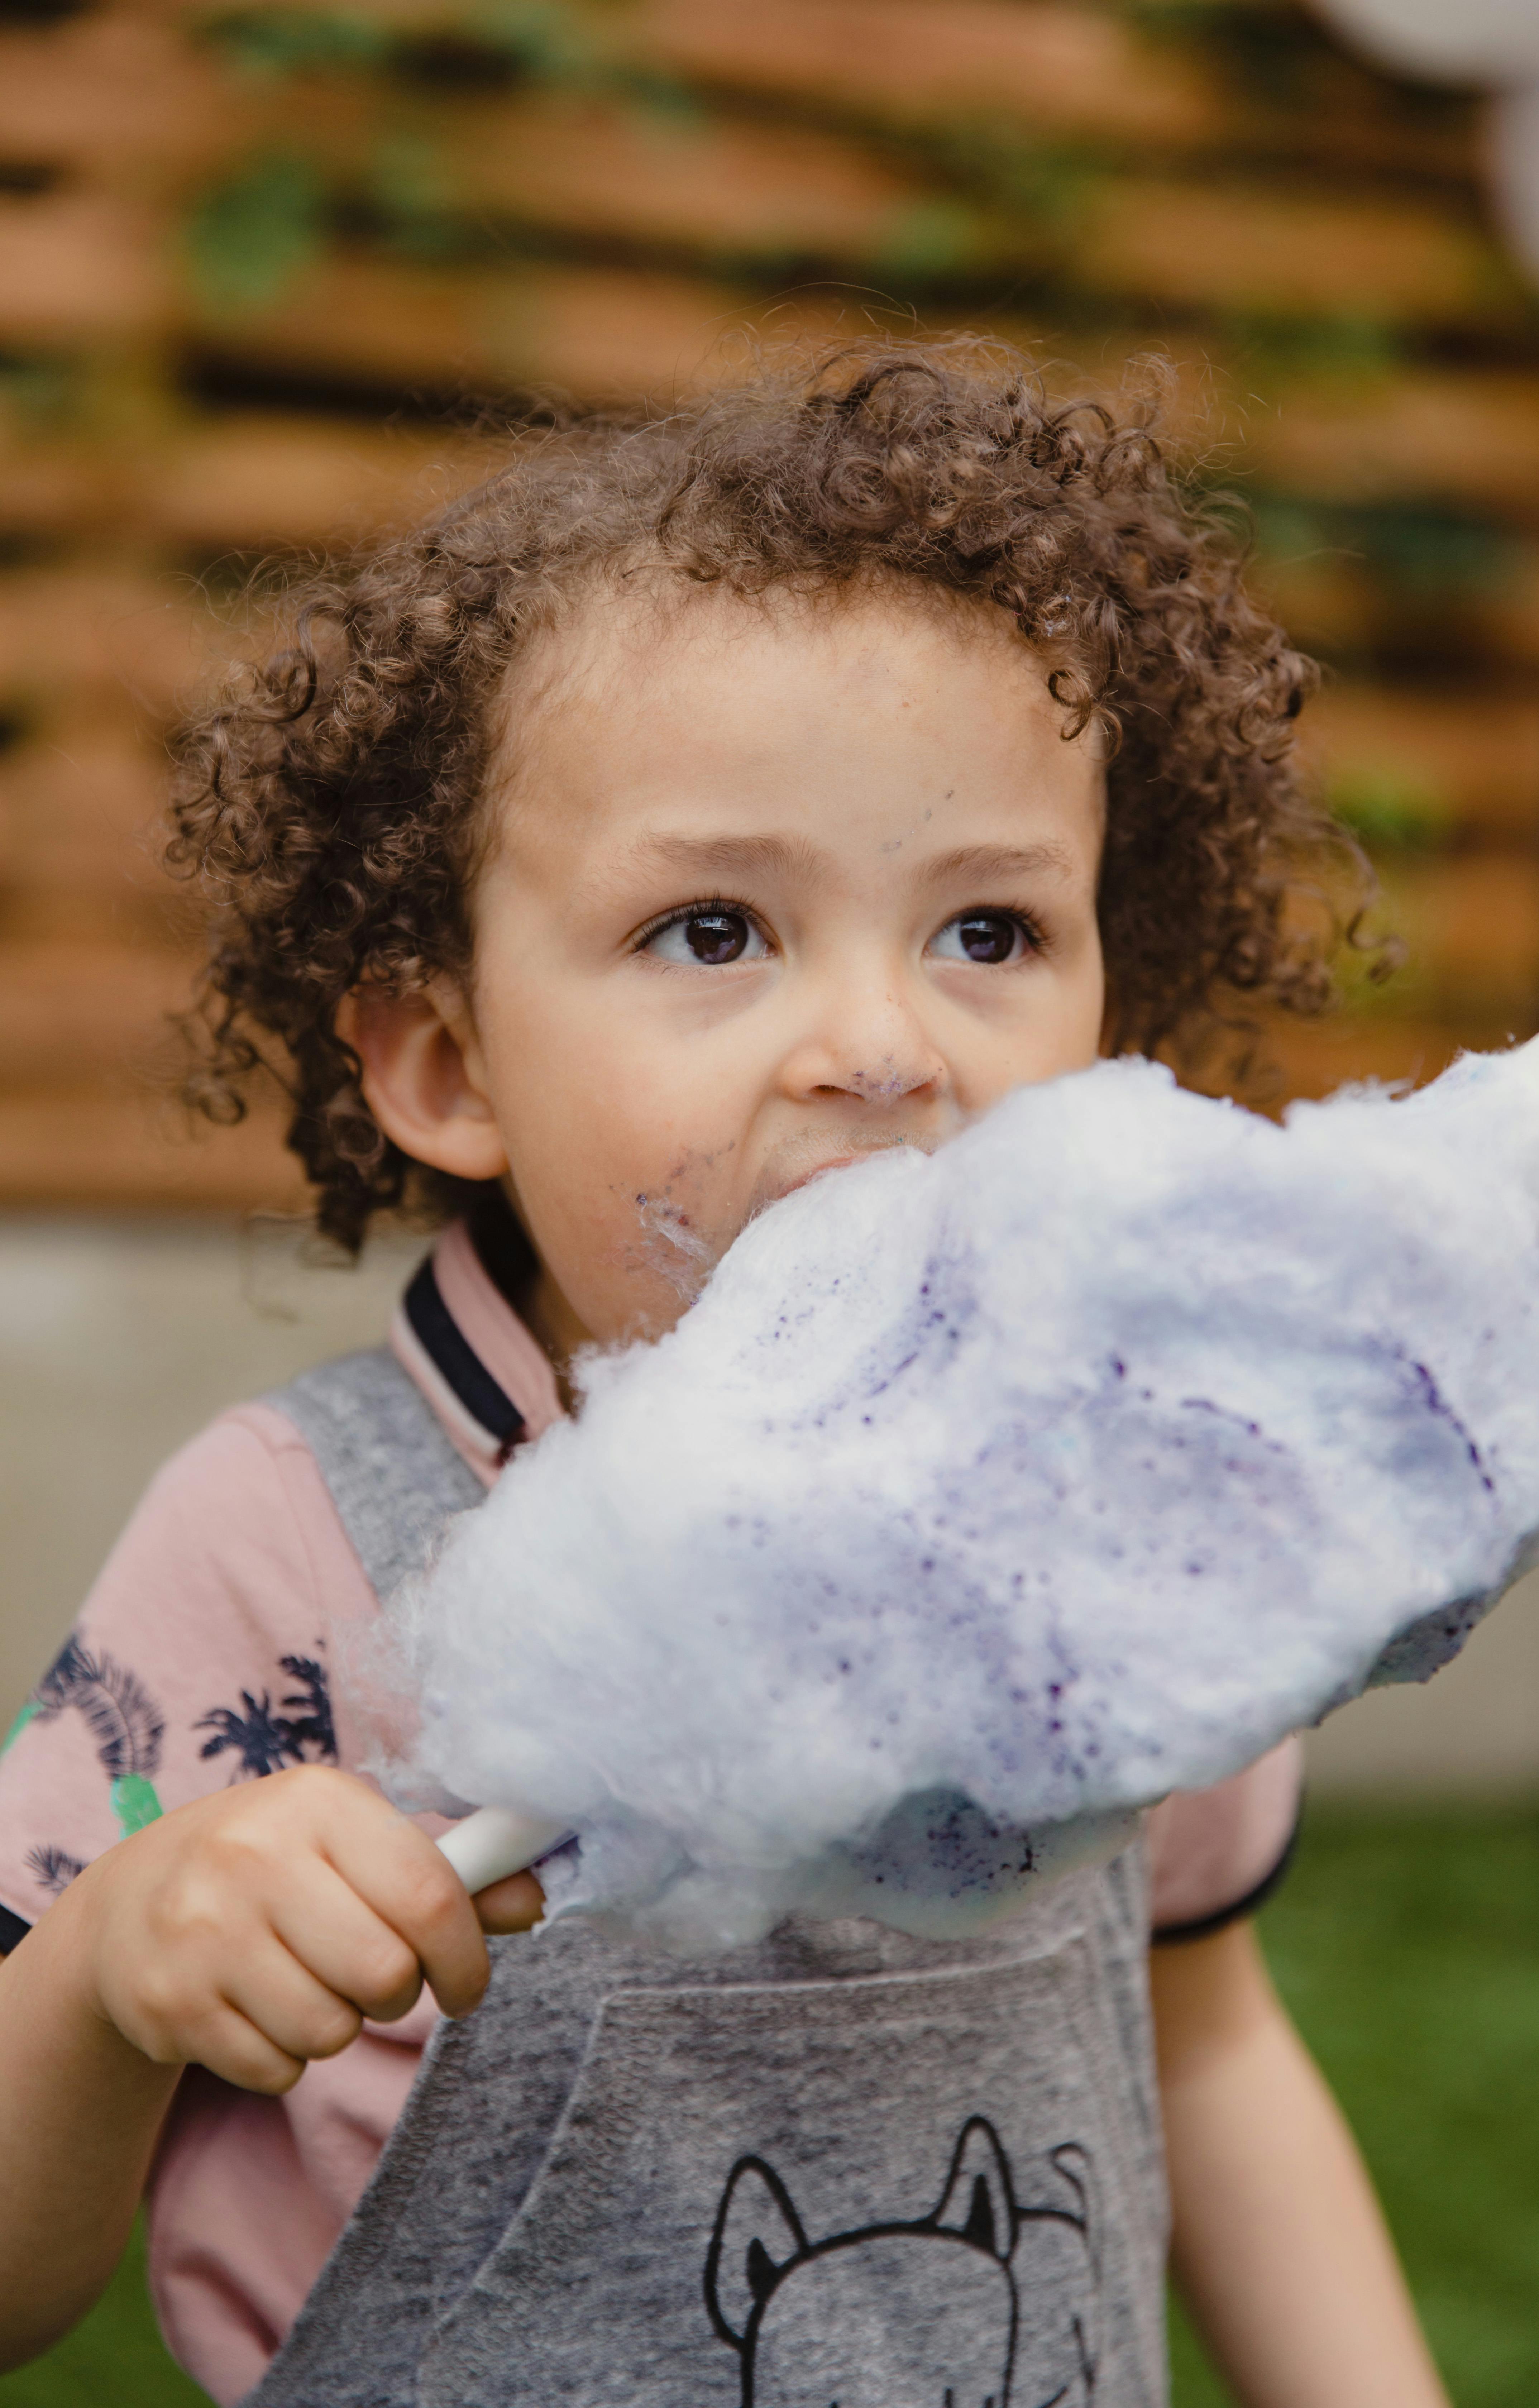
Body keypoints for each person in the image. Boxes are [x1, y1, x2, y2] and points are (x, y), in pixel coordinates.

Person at [0, 344, 1448, 2407]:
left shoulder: (1122, 1520)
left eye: (990, 931)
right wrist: (111, 1972)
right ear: (446, 1061)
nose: (879, 1045)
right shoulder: (293, 1545)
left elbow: (1207, 2041)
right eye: (710, 931)